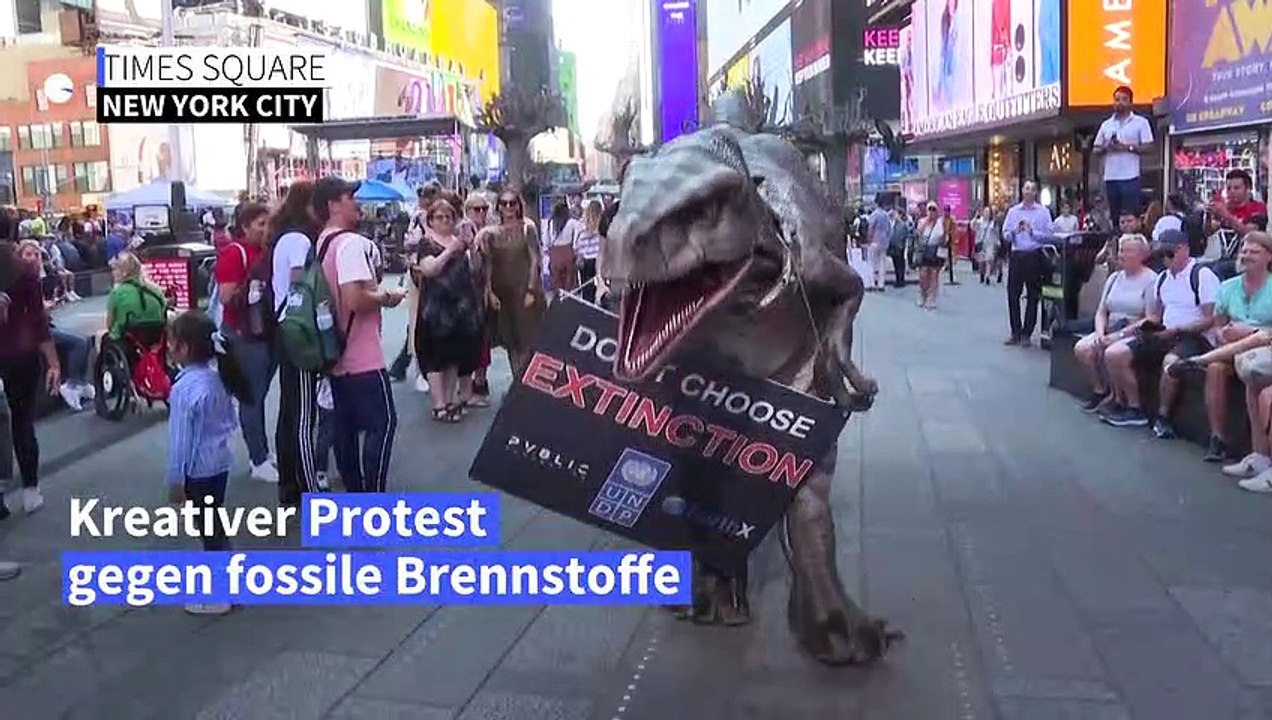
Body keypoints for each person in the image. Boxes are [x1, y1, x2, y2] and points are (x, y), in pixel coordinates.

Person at [314, 176, 406, 493]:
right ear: (332, 205)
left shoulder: (323, 242)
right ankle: (372, 495)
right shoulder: (350, 244)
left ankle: (355, 493)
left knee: (346, 429)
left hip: (334, 352)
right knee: (383, 424)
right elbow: (354, 298)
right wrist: (385, 297)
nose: (357, 201)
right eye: (349, 196)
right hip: (361, 354)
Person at [164, 310, 250, 616]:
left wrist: (176, 480)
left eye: (171, 341)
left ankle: (218, 594)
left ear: (184, 348)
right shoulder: (219, 380)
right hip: (220, 464)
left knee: (208, 529)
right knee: (216, 523)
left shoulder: (183, 389)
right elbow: (229, 421)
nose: (168, 347)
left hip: (196, 470)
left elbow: (180, 441)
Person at [1168, 231, 1272, 463]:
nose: (1246, 256)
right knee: (1216, 369)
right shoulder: (1228, 287)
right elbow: (1218, 327)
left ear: (1269, 257)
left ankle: (1198, 360)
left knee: (1256, 346)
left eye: (1254, 252)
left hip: (1265, 348)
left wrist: (1249, 332)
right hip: (1233, 350)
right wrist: (1226, 335)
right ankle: (1218, 438)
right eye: (1244, 251)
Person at [1104, 229, 1219, 433]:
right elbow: (1156, 314)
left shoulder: (1201, 275)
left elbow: (1211, 318)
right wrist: (1147, 328)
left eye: (1169, 254)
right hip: (1165, 332)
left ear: (1183, 250)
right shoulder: (1163, 278)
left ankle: (1163, 416)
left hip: (1193, 336)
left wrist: (1179, 329)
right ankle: (1134, 408)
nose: (1165, 260)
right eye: (1161, 255)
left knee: (1170, 363)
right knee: (1116, 353)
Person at [268, 181, 325, 507]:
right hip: (297, 329)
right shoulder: (299, 239)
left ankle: (290, 485)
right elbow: (298, 281)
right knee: (303, 412)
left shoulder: (285, 236)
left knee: (291, 409)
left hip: (284, 327)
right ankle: (305, 486)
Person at [214, 202, 278, 483]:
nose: (266, 229)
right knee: (251, 398)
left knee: (259, 395)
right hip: (243, 334)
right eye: (260, 224)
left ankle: (262, 450)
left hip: (266, 332)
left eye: (268, 223)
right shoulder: (233, 253)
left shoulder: (267, 251)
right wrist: (253, 287)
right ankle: (258, 459)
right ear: (245, 226)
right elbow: (227, 297)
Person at [0, 240, 60, 516]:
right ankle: (30, 489)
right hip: (20, 354)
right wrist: (53, 363)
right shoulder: (25, 273)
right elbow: (38, 321)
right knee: (23, 421)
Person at [413, 199, 484, 421]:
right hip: (435, 308)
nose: (445, 221)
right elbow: (429, 269)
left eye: (448, 217)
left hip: (460, 308)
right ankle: (438, 403)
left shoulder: (459, 241)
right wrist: (450, 250)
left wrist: (470, 246)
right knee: (435, 357)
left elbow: (476, 268)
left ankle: (451, 400)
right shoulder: (426, 242)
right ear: (431, 221)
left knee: (454, 356)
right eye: (440, 217)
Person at [1073, 234, 1156, 415]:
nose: (1122, 255)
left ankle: (1131, 404)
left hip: (1134, 331)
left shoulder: (1151, 280)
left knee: (1114, 352)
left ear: (1142, 255)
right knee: (1083, 348)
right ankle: (1101, 391)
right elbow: (1102, 311)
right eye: (1121, 250)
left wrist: (1119, 335)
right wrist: (1100, 333)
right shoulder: (1114, 278)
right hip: (1110, 327)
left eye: (1128, 251)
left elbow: (1151, 318)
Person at [15, 240, 93, 410]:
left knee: (85, 340)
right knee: (78, 342)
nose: (33, 258)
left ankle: (80, 382)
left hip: (44, 326)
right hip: (29, 334)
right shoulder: (20, 279)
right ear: (19, 257)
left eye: (36, 255)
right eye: (28, 254)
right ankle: (70, 386)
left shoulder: (40, 277)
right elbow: (32, 316)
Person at [479, 189, 545, 376]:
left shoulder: (527, 228)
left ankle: (526, 382)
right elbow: (488, 264)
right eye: (504, 203)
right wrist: (489, 291)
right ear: (498, 206)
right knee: (510, 341)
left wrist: (532, 290)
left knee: (528, 339)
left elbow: (535, 260)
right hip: (502, 292)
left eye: (512, 203)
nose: (508, 207)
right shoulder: (491, 232)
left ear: (519, 205)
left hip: (524, 290)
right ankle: (517, 381)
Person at [1003, 180, 1055, 346]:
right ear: (1022, 191)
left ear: (1036, 192)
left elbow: (1049, 235)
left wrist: (1033, 232)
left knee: (1033, 295)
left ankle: (1027, 332)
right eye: (1026, 188)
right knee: (1013, 294)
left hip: (1034, 254)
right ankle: (1015, 332)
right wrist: (1014, 231)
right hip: (1017, 254)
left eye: (1032, 189)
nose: (1029, 192)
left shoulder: (1043, 212)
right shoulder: (1013, 212)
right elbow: (1005, 234)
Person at [1092, 85, 1153, 224]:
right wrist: (1107, 147)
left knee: (1131, 216)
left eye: (1124, 99)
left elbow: (1149, 147)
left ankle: (1132, 243)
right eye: (1117, 99)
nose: (1120, 103)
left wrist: (1126, 147)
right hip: (1110, 177)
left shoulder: (1140, 123)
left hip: (1130, 177)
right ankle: (1116, 242)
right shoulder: (1106, 125)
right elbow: (1095, 149)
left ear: (1131, 102)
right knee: (1115, 218)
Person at [103, 252, 168, 344]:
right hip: (156, 338)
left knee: (104, 339)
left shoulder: (117, 292)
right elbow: (164, 308)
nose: (112, 273)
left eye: (114, 269)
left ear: (124, 272)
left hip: (127, 340)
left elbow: (109, 324)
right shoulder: (155, 289)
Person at [546, 200, 584, 297]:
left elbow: (546, 241)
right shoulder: (571, 222)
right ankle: (568, 300)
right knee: (569, 282)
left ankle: (559, 301)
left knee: (557, 282)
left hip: (555, 253)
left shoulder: (551, 222)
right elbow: (581, 229)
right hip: (568, 252)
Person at [915, 202, 948, 310]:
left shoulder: (940, 222)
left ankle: (932, 299)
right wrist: (927, 222)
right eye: (930, 209)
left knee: (934, 275)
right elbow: (919, 234)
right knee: (923, 275)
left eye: (934, 210)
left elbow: (944, 237)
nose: (932, 212)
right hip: (925, 249)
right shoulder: (922, 221)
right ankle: (923, 294)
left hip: (935, 250)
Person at [575, 199, 605, 303]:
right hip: (600, 262)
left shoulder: (582, 231)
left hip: (586, 264)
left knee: (587, 295)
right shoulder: (603, 230)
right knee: (602, 293)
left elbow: (578, 250)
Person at [865, 200, 892, 291]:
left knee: (872, 263)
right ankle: (881, 284)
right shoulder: (886, 215)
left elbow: (871, 227)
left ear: (876, 204)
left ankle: (872, 283)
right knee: (882, 264)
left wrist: (869, 240)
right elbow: (889, 229)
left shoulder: (874, 215)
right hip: (884, 242)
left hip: (874, 241)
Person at [972, 206, 1001, 285]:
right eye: (985, 212)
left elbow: (996, 232)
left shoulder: (993, 222)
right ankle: (982, 274)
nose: (987, 214)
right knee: (981, 262)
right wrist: (975, 216)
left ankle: (987, 276)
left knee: (989, 259)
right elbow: (972, 226)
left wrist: (997, 241)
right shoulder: (979, 221)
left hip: (990, 243)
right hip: (981, 243)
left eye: (988, 212)